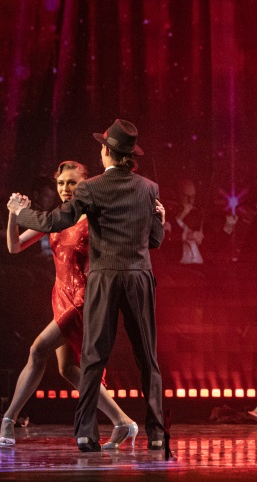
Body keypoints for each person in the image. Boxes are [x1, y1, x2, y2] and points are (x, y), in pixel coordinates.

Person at [9, 119, 167, 452]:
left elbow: (56, 220)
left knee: (93, 358)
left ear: (107, 152)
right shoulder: (148, 188)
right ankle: (154, 433)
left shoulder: (92, 188)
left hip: (102, 279)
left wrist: (21, 212)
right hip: (137, 277)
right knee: (146, 358)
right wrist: (159, 220)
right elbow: (153, 241)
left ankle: (85, 433)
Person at [2, 161, 136, 449]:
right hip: (61, 298)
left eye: (72, 182)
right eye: (61, 183)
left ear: (85, 184)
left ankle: (8, 419)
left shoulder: (94, 218)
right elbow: (14, 246)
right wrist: (14, 214)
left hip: (84, 300)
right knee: (68, 369)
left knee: (37, 349)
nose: (65, 188)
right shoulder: (55, 218)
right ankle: (123, 422)